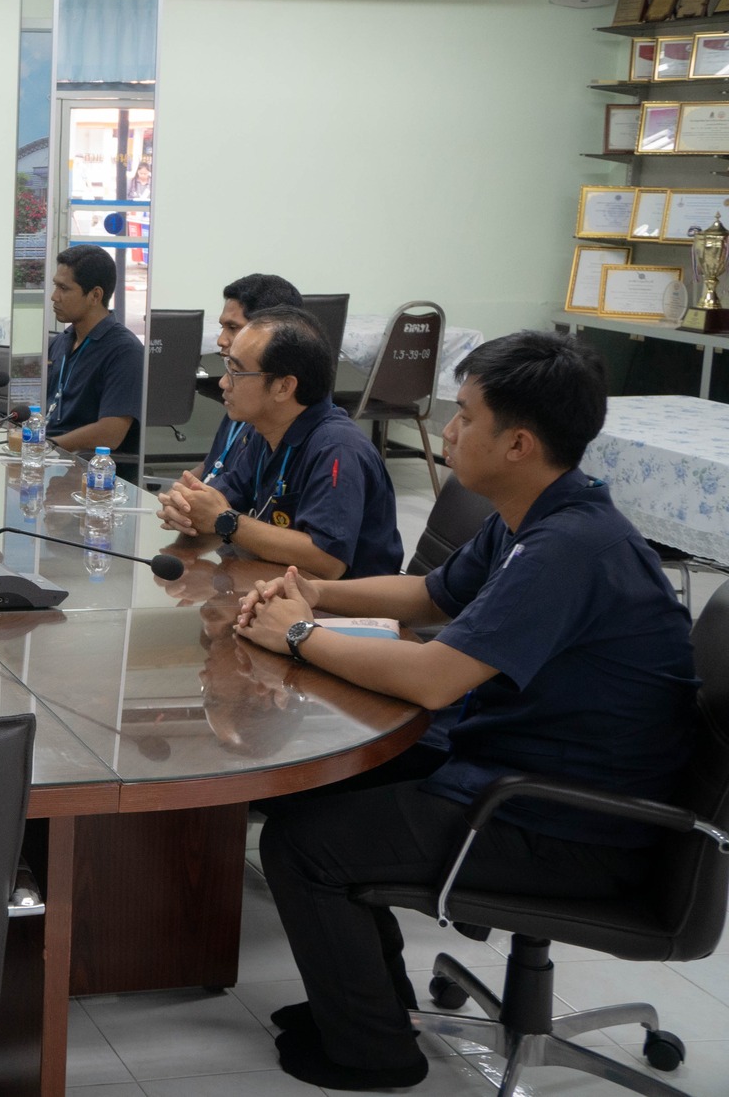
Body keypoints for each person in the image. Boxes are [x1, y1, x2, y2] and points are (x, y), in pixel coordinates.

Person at [231, 330, 697, 1091]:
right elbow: (427, 594)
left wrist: (300, 633)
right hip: (526, 767)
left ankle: (373, 1050)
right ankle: (368, 1007)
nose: (446, 428)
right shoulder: (537, 516)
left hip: (572, 821)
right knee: (311, 794)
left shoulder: (567, 549)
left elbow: (437, 677)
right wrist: (311, 591)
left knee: (306, 846)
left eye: (464, 415)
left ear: (517, 443)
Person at [159, 306, 402, 579]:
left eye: (236, 372)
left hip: (345, 613)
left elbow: (327, 561)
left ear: (284, 387)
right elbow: (220, 499)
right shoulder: (262, 432)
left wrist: (224, 521)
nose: (224, 383)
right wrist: (186, 508)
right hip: (278, 587)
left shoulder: (338, 449)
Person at [41, 244, 145, 456]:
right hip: (50, 457)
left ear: (95, 295)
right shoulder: (61, 341)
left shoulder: (125, 351)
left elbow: (111, 433)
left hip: (87, 469)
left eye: (64, 289)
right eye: (55, 286)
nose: (54, 296)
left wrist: (47, 445)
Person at [203, 273, 306, 481]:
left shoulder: (271, 416)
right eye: (222, 327)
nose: (221, 340)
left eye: (233, 328)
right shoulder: (241, 396)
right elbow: (213, 465)